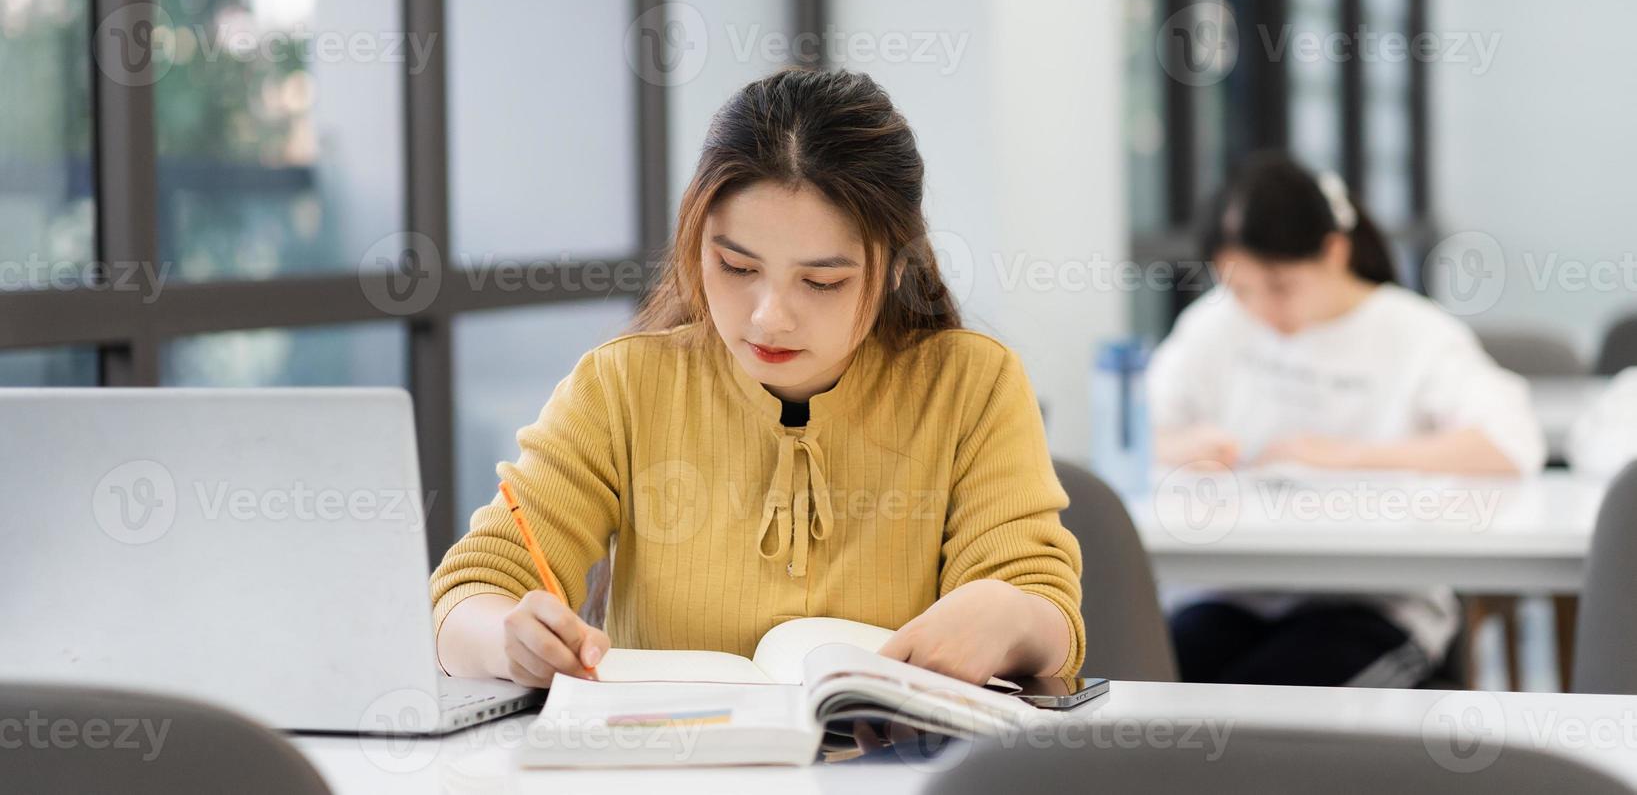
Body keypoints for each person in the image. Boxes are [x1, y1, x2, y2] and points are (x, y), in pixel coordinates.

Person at [430, 68, 1084, 689]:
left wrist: (1009, 616)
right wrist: (504, 637)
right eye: (736, 268)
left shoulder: (970, 385)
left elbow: (1046, 615)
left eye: (821, 281)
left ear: (893, 268)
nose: (769, 318)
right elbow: (466, 595)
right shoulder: (621, 387)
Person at [1149, 152, 1546, 687]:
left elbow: (1512, 444)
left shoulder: (1415, 332)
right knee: (1154, 690)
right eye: (1240, 290)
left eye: (1282, 286)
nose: (1263, 309)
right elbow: (1132, 436)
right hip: (1231, 591)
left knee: (1265, 714)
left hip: (1374, 598)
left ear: (1334, 252)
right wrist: (1184, 446)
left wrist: (1349, 456)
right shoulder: (1212, 326)